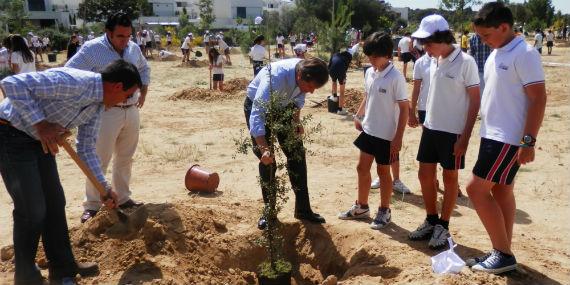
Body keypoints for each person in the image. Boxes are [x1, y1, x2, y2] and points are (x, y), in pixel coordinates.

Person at [0, 59, 142, 285]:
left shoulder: (96, 106)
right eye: (127, 95)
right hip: (10, 134)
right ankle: (25, 275)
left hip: (39, 141)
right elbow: (11, 83)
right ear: (116, 87)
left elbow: (86, 149)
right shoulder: (74, 82)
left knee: (55, 203)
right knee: (33, 208)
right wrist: (41, 124)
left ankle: (63, 268)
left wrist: (104, 188)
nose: (125, 101)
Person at [466, 2, 546, 274]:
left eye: (486, 35)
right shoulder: (497, 52)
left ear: (504, 27)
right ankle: (504, 252)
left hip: (507, 138)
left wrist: (528, 141)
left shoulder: (524, 54)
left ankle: (502, 254)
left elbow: (538, 98)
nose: (483, 41)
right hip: (492, 134)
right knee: (501, 190)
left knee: (475, 189)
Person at [66, 12, 151, 223]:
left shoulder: (133, 48)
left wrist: (143, 92)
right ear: (108, 33)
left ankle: (122, 198)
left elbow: (143, 68)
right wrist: (92, 97)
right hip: (105, 112)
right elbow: (70, 72)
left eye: (128, 36)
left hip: (131, 110)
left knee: (125, 158)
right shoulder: (92, 50)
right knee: (99, 158)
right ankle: (93, 205)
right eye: (120, 36)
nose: (126, 41)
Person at [408, 14, 480, 249]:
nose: (425, 49)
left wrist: (465, 139)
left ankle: (444, 226)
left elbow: (475, 102)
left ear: (443, 38)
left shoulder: (465, 62)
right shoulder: (434, 59)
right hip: (431, 127)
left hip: (453, 133)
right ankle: (431, 219)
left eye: (428, 43)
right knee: (424, 175)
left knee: (450, 178)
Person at [245, 58, 329, 229]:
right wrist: (264, 149)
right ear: (299, 76)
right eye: (310, 86)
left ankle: (303, 210)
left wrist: (296, 121)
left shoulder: (307, 70)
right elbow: (257, 114)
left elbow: (299, 98)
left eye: (315, 88)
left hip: (284, 106)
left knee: (297, 154)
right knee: (268, 162)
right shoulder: (274, 78)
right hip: (259, 108)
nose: (312, 92)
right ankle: (269, 214)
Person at [337, 32, 409, 229]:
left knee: (383, 172)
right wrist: (359, 116)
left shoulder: (396, 78)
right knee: (362, 168)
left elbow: (404, 109)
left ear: (387, 54)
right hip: (369, 129)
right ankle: (362, 207)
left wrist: (398, 138)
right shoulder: (370, 72)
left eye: (373, 56)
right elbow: (368, 96)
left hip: (386, 135)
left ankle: (384, 210)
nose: (370, 60)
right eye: (368, 56)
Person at [328, 50, 352, 115]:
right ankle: (340, 109)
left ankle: (334, 96)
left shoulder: (335, 55)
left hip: (331, 70)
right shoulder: (346, 59)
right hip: (341, 71)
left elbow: (329, 65)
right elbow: (344, 70)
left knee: (334, 81)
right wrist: (343, 79)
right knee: (342, 91)